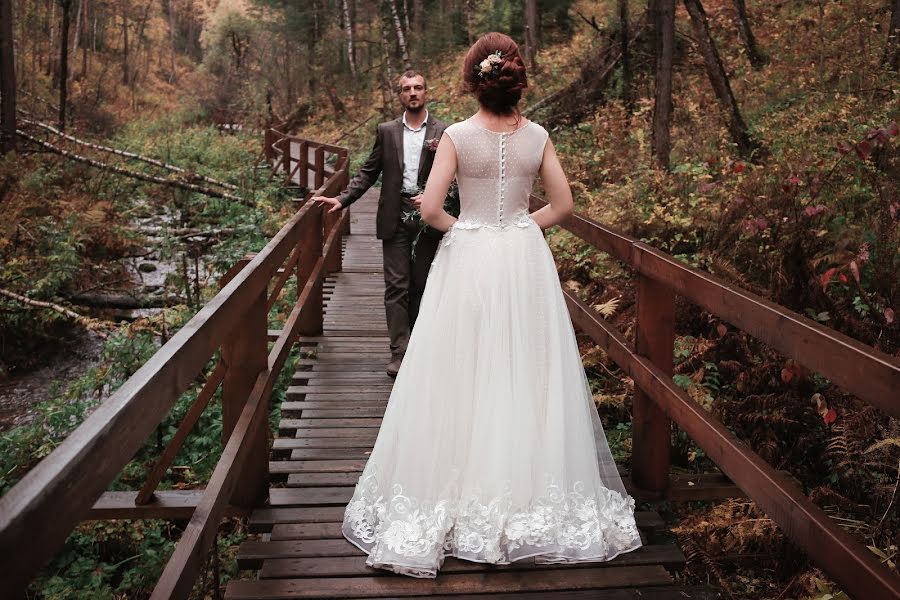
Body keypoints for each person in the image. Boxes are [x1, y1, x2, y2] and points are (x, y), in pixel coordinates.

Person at [340, 32, 642, 578]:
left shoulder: (454, 135)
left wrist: (470, 229)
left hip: (471, 256)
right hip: (523, 257)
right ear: (516, 80)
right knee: (526, 367)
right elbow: (565, 205)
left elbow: (430, 209)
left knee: (460, 366)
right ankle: (524, 485)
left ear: (471, 82)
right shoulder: (538, 137)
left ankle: (459, 486)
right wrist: (523, 226)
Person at [313, 71, 448, 377]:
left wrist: (433, 196)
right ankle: (399, 352)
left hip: (428, 219)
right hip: (393, 215)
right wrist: (342, 199)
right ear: (399, 96)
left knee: (421, 285)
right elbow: (368, 171)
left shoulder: (445, 131)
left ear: (427, 93)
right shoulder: (386, 131)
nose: (412, 93)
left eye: (418, 88)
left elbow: (454, 174)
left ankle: (419, 347)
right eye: (406, 89)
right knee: (396, 286)